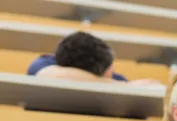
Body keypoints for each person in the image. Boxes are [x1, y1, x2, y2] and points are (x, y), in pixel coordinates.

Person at [28, 31, 158, 86]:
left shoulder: (117, 79)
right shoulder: (44, 64)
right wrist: (124, 87)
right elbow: (47, 75)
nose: (112, 71)